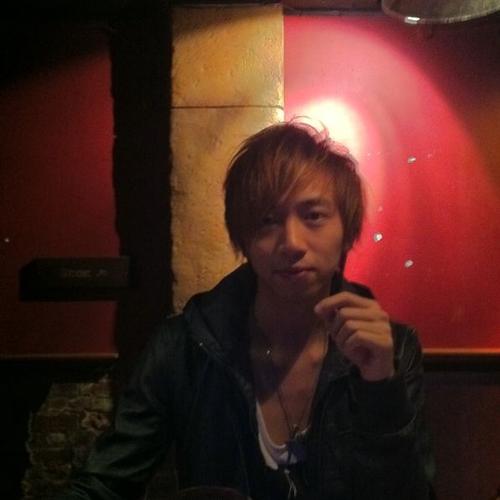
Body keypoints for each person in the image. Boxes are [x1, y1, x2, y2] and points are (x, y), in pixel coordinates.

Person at [60, 122, 434, 499]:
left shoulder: (392, 348)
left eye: (313, 215)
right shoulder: (185, 346)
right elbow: (104, 484)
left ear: (346, 229)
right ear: (244, 237)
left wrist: (380, 385)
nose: (291, 243)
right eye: (267, 221)